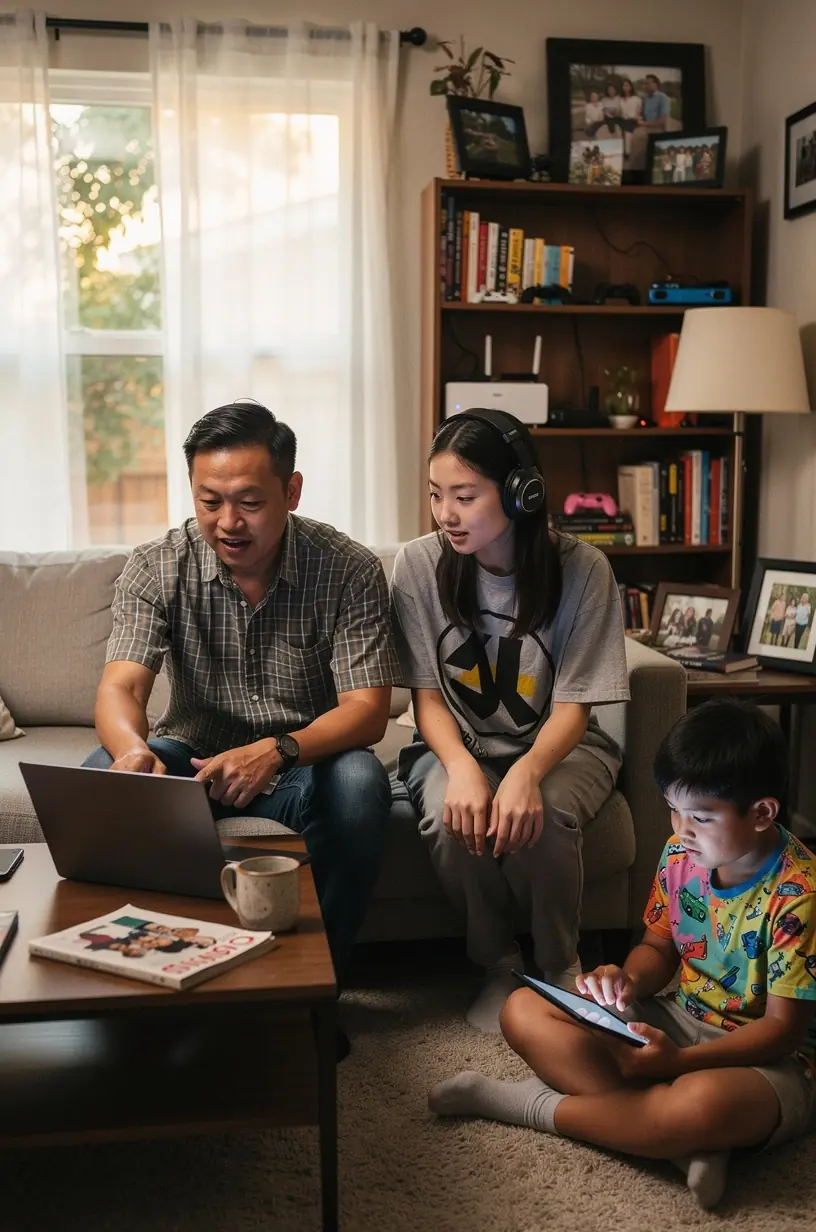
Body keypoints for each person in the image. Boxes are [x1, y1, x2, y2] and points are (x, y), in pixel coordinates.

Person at [83, 400, 401, 1032]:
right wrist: (131, 750)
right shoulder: (158, 565)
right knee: (104, 776)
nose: (228, 522)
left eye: (250, 502)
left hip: (305, 764)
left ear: (291, 491)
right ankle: (136, 990)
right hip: (193, 756)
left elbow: (367, 714)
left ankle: (314, 999)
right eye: (209, 501)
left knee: (364, 786)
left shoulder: (348, 569)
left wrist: (277, 749)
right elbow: (121, 687)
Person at [428, 699, 816, 1211]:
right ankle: (675, 1140)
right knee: (523, 1010)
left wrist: (680, 1063)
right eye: (672, 809)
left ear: (763, 812)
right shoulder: (682, 856)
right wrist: (626, 979)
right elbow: (659, 947)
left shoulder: (800, 893)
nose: (680, 829)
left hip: (772, 1059)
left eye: (700, 816)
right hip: (683, 1016)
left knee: (700, 1107)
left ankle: (529, 1104)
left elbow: (783, 1031)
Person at [390, 409, 629, 1033]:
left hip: (563, 746)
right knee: (453, 814)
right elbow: (427, 695)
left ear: (522, 493)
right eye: (437, 495)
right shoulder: (417, 566)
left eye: (465, 497)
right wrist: (463, 766)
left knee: (542, 814)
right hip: (455, 743)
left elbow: (576, 703)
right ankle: (496, 966)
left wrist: (527, 771)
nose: (446, 514)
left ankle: (559, 970)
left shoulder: (584, 571)